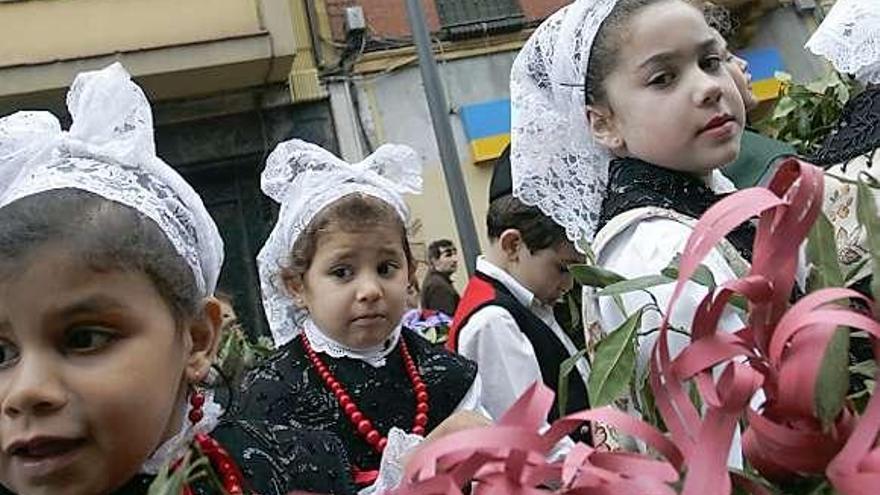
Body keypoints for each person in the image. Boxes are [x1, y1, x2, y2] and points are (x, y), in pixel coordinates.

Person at [0, 64, 356, 495]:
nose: (27, 391)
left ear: (197, 336)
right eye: (2, 352)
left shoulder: (287, 471)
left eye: (84, 339)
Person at [510, 0, 763, 460]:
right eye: (662, 78)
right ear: (603, 124)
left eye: (710, 61)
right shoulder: (660, 251)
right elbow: (749, 443)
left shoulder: (701, 204)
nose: (708, 87)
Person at [238, 139, 483, 491]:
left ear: (410, 271)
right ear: (296, 285)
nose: (370, 290)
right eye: (342, 272)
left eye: (386, 268)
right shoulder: (271, 392)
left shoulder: (446, 373)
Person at [447, 146, 589, 441]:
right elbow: (532, 439)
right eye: (563, 269)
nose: (568, 285)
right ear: (513, 245)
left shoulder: (527, 304)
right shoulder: (493, 322)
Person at [420, 239, 460, 316]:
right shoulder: (438, 286)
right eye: (448, 255)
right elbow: (444, 322)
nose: (455, 259)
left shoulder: (438, 281)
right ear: (434, 260)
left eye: (455, 254)